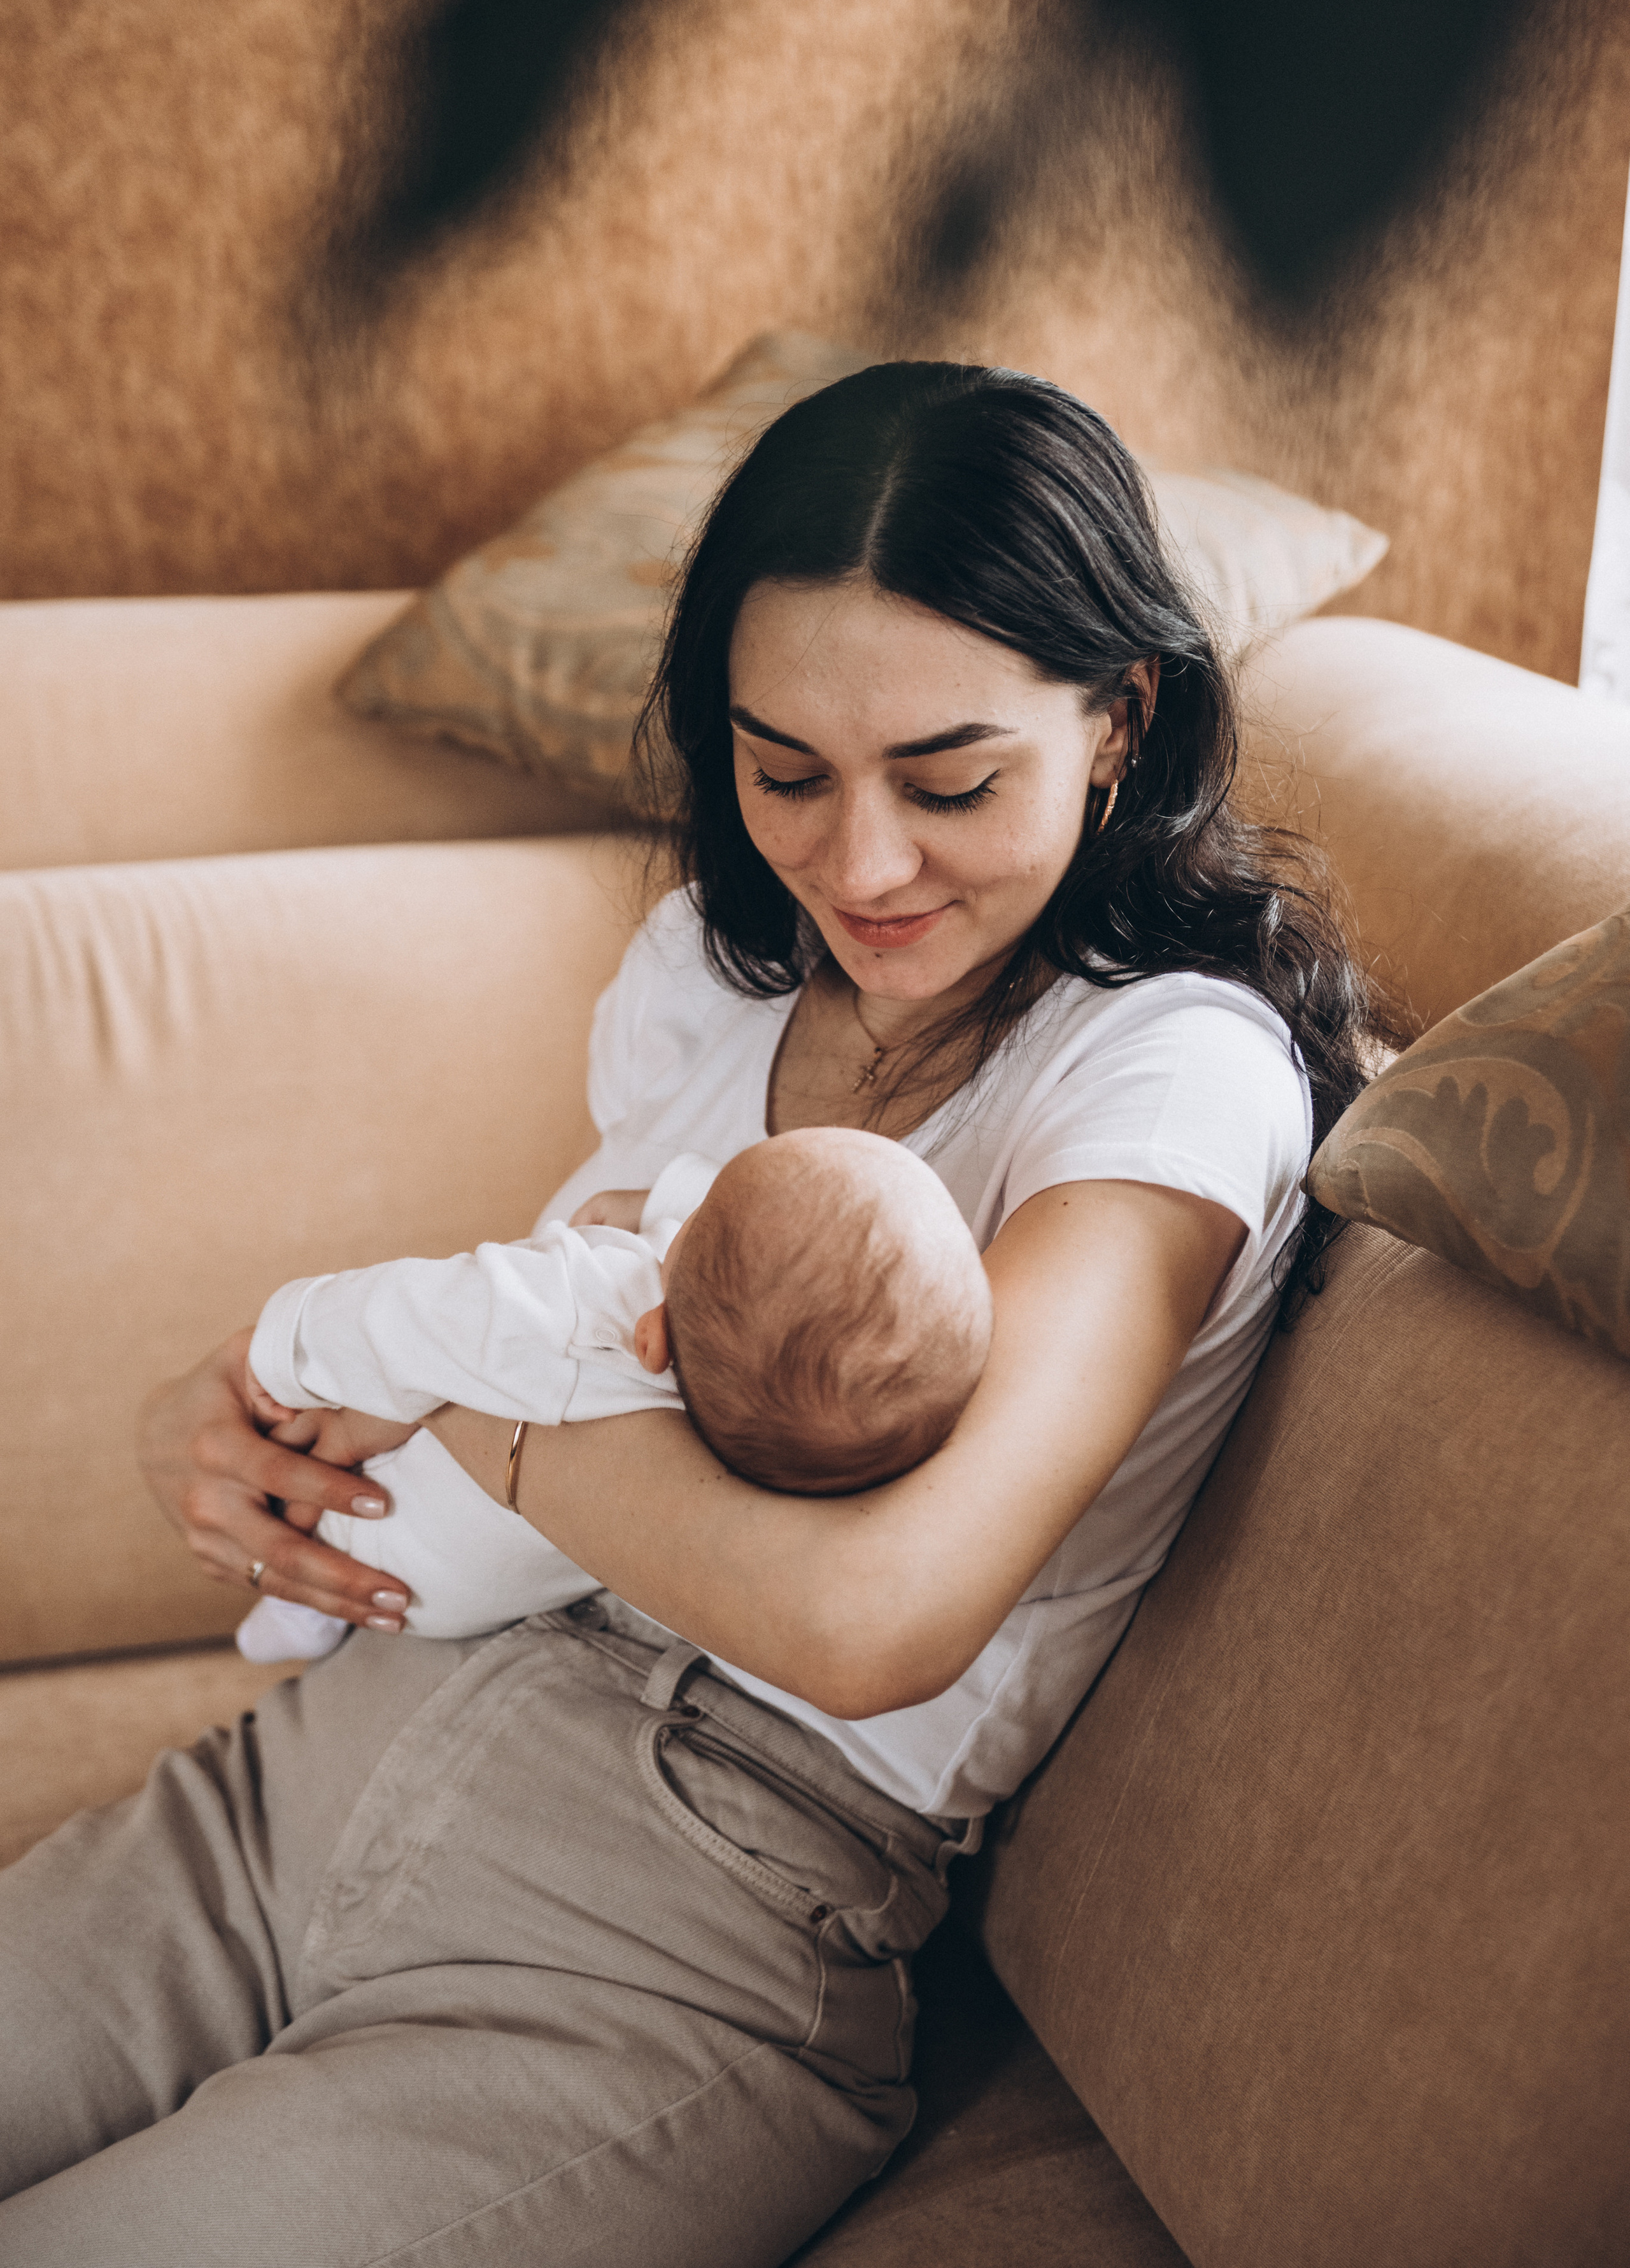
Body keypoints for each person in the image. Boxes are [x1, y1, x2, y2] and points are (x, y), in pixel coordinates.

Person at [0, 364, 1391, 2267]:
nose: (860, 867)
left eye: (953, 778)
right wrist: (229, 1406)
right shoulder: (713, 980)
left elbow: (870, 1612)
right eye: (785, 772)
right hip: (297, 1777)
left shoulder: (1166, 1076)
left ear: (1119, 724)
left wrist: (443, 1398)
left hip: (669, 1924)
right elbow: (579, 1333)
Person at [234, 1129, 993, 1657]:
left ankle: (298, 1612)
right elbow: (756, 1247)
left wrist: (277, 1352)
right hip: (512, 1584)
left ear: (650, 1339)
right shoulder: (778, 1427)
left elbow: (409, 1308)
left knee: (330, 1496)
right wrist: (671, 1198)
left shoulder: (585, 1302)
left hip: (399, 1561)